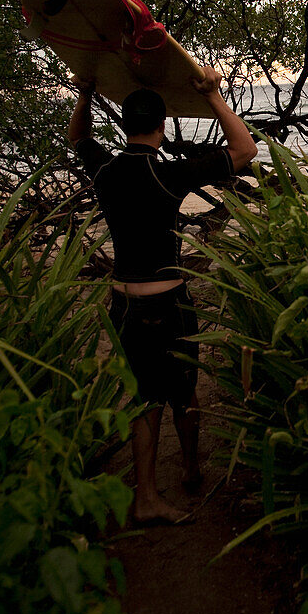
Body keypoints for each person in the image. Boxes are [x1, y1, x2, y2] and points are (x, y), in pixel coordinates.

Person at [68, 69, 257, 524]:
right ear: (163, 125)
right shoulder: (168, 174)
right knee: (183, 391)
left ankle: (147, 492)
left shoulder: (108, 170)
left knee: (143, 396)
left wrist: (85, 94)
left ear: (125, 126)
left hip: (124, 305)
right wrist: (211, 94)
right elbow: (245, 149)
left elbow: (78, 139)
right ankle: (189, 469)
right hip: (168, 303)